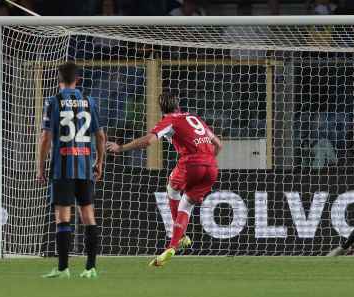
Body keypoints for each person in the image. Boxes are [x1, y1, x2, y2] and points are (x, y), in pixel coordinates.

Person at [106, 92, 222, 267]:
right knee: (186, 204)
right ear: (178, 104)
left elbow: (148, 141)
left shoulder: (169, 121)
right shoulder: (193, 117)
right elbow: (219, 144)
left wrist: (120, 147)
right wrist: (208, 160)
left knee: (172, 188)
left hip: (191, 164)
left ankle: (179, 238)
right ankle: (175, 244)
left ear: (161, 109)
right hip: (212, 167)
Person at [36, 62, 106, 279]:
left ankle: (63, 268)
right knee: (88, 216)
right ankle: (90, 268)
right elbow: (101, 136)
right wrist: (99, 161)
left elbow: (46, 137)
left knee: (62, 217)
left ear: (59, 80)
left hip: (62, 168)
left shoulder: (53, 101)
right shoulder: (89, 101)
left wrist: (40, 167)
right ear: (78, 80)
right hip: (85, 167)